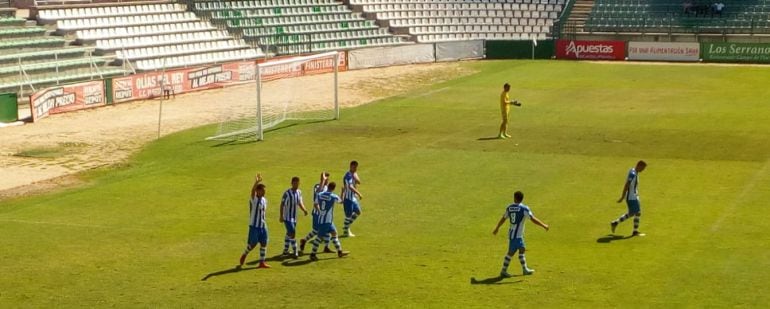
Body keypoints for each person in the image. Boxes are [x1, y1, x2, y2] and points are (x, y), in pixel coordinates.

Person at [492, 191, 549, 277]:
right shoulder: (524, 208)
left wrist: (497, 228)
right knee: (518, 250)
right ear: (522, 198)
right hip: (517, 235)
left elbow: (503, 218)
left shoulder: (509, 208)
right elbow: (532, 219)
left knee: (518, 250)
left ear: (515, 198)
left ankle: (511, 270)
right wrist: (543, 225)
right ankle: (517, 270)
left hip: (512, 234)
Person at [309, 182, 349, 261]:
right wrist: (343, 191)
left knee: (334, 233)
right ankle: (312, 254)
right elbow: (341, 201)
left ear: (328, 187)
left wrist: (320, 211)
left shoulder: (320, 194)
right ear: (334, 188)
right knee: (319, 238)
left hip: (323, 219)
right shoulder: (333, 196)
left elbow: (315, 204)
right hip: (326, 221)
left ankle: (340, 252)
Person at [239, 173, 270, 269]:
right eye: (262, 190)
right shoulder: (254, 199)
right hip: (254, 226)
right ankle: (245, 253)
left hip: (263, 225)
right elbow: (252, 191)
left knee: (264, 243)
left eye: (264, 191)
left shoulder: (265, 200)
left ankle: (262, 262)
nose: (264, 192)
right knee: (253, 244)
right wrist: (256, 182)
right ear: (258, 191)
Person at [610, 160, 648, 236]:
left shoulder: (633, 170)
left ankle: (634, 231)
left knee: (636, 213)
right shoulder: (633, 174)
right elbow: (627, 185)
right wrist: (622, 196)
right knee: (633, 213)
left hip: (634, 196)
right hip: (631, 197)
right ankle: (616, 223)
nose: (643, 170)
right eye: (642, 168)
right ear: (639, 166)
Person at [299, 172, 333, 254]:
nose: (327, 180)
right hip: (317, 213)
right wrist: (322, 181)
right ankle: (305, 241)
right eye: (325, 179)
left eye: (327, 179)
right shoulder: (317, 186)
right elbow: (318, 193)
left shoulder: (327, 188)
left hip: (324, 214)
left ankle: (326, 247)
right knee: (317, 230)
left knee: (326, 230)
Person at [280, 176, 309, 258]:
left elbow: (300, 202)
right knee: (293, 232)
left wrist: (304, 210)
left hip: (294, 217)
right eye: (294, 183)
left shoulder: (299, 192)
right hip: (287, 217)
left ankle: (285, 250)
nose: (296, 184)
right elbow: (282, 205)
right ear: (291, 183)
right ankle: (295, 251)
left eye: (297, 183)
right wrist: (281, 216)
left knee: (289, 233)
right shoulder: (287, 194)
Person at [341, 161, 363, 237]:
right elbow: (350, 187)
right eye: (354, 167)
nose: (356, 168)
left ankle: (346, 227)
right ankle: (346, 231)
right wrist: (358, 193)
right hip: (348, 199)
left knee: (358, 212)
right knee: (348, 216)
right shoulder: (348, 176)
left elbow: (359, 182)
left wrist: (355, 175)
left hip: (353, 198)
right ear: (350, 166)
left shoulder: (354, 174)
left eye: (356, 167)